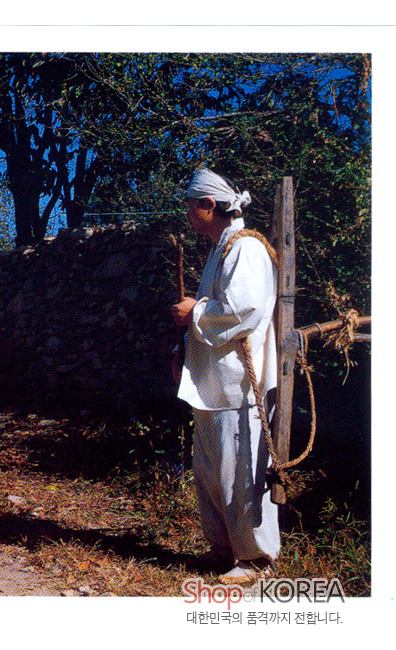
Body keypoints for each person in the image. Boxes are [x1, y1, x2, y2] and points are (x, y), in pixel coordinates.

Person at [171, 168, 280, 584]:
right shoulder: (222, 247)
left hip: (238, 384)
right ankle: (225, 550)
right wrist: (194, 310)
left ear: (208, 205)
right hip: (216, 381)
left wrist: (193, 311)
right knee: (213, 471)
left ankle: (256, 559)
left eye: (190, 206)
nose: (188, 215)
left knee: (240, 471)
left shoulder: (244, 249)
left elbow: (244, 309)